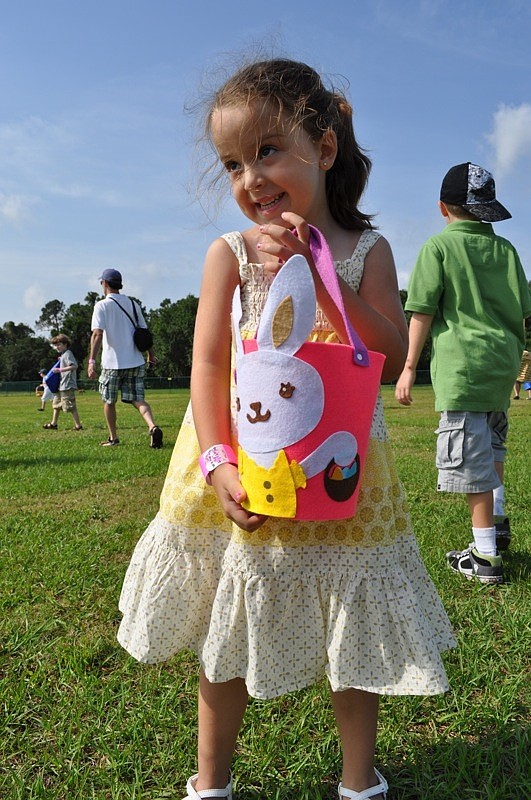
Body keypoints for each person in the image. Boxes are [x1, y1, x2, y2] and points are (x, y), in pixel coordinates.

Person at [117, 58, 455, 800]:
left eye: (267, 151)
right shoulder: (230, 255)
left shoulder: (365, 250)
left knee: (352, 627)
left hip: (341, 474)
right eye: (233, 163)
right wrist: (217, 463)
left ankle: (357, 779)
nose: (250, 177)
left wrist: (320, 274)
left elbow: (391, 348)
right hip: (245, 463)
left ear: (324, 148)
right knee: (227, 626)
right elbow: (206, 367)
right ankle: (210, 781)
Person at [395, 162, 531, 582]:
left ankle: (486, 555)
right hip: (501, 366)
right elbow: (523, 310)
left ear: (442, 208)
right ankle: (500, 520)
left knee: (471, 462)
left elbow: (420, 311)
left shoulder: (438, 248)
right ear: (489, 209)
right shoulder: (506, 250)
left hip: (464, 369)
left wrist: (407, 367)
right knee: (493, 450)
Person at [87, 268, 163, 448]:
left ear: (104, 284)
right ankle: (152, 426)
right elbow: (144, 333)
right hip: (135, 361)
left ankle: (113, 438)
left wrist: (91, 361)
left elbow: (97, 334)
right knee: (138, 399)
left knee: (109, 401)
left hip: (112, 363)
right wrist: (151, 354)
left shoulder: (101, 305)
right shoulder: (133, 304)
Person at [43, 334, 83, 431]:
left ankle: (78, 426)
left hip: (67, 384)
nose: (57, 347)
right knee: (56, 404)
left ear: (65, 344)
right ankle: (54, 424)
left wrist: (60, 369)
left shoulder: (68, 353)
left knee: (70, 406)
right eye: (55, 345)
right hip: (61, 384)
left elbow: (74, 366)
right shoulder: (63, 355)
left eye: (59, 344)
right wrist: (61, 361)